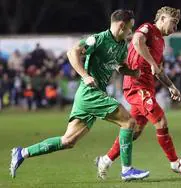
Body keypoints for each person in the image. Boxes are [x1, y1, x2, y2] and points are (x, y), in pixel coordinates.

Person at [9, 9, 150, 181]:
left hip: (89, 96)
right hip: (91, 93)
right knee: (128, 122)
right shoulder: (98, 39)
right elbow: (72, 52)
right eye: (130, 28)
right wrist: (85, 75)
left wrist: (132, 72)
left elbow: (118, 66)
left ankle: (22, 152)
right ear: (121, 25)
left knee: (68, 141)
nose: (131, 31)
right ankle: (126, 170)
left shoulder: (121, 45)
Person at [96, 6, 181, 179]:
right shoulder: (148, 29)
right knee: (160, 120)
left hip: (146, 87)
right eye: (174, 23)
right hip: (137, 86)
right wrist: (151, 62)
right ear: (163, 18)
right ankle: (175, 163)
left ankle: (105, 160)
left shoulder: (161, 42)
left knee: (133, 131)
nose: (175, 28)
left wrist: (171, 86)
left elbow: (158, 70)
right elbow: (136, 40)